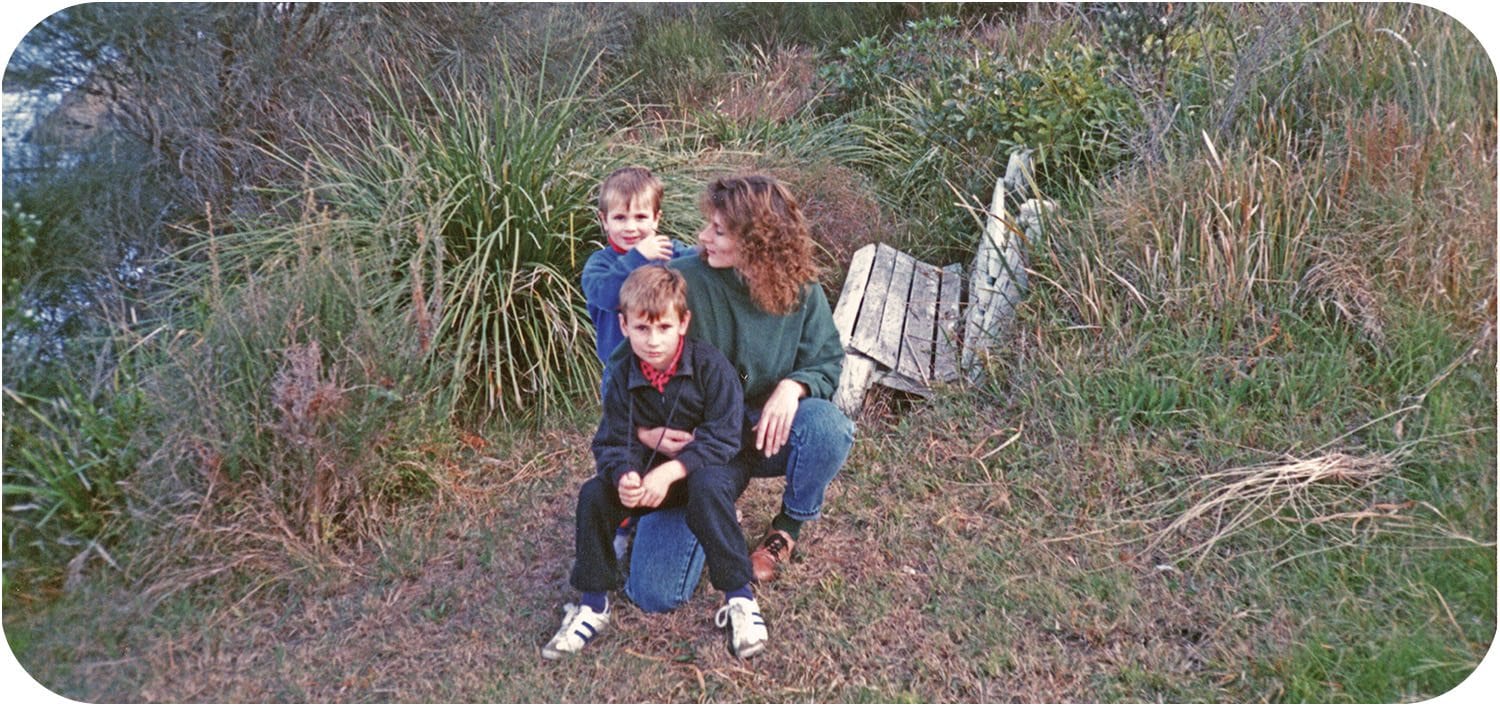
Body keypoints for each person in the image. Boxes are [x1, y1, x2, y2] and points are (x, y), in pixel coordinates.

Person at [623, 174, 855, 610]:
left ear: (757, 242)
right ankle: (710, 505)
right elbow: (626, 365)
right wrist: (646, 433)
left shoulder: (800, 291)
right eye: (708, 225)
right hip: (701, 450)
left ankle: (785, 531)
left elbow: (826, 361)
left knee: (828, 427)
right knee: (654, 594)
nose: (702, 236)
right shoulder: (682, 280)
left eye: (719, 231)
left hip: (764, 436)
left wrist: (794, 385)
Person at [543, 265, 768, 660]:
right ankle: (593, 604)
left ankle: (740, 599)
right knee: (595, 493)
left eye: (663, 328)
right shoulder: (622, 375)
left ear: (683, 323)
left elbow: (726, 437)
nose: (653, 341)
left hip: (712, 470)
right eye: (642, 329)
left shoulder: (711, 367)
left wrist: (672, 469)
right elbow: (612, 440)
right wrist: (625, 473)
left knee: (708, 487)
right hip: (653, 478)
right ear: (624, 325)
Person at [581, 166, 693, 369]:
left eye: (640, 217)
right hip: (622, 368)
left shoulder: (670, 251)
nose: (630, 227)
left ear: (656, 218)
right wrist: (638, 257)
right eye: (620, 218)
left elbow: (701, 263)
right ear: (604, 220)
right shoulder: (600, 264)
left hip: (670, 364)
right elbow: (606, 296)